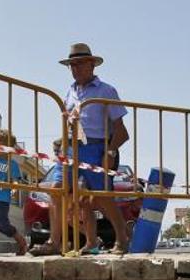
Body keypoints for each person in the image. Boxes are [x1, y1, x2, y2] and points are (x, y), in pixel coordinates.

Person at [59, 43, 131, 255]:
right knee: (77, 198)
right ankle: (90, 242)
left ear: (92, 64)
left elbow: (122, 131)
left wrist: (109, 152)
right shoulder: (70, 91)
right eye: (72, 64)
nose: (75, 68)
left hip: (97, 146)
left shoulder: (106, 90)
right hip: (73, 147)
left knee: (101, 197)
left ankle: (122, 239)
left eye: (80, 63)